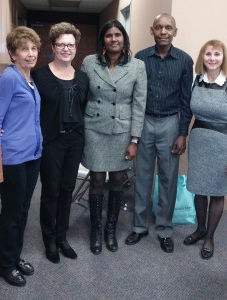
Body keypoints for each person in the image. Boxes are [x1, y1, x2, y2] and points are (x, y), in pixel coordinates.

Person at [125, 13, 193, 253]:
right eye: (159, 27)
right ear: (151, 30)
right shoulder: (141, 58)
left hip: (171, 124)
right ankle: (139, 226)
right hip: (144, 121)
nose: (163, 31)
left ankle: (164, 228)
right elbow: (134, 96)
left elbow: (186, 100)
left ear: (175, 31)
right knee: (142, 176)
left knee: (168, 178)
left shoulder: (185, 60)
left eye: (168, 28)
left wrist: (183, 132)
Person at [81, 20, 147, 255]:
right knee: (97, 179)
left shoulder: (137, 66)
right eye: (108, 35)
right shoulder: (89, 62)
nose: (113, 39)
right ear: (103, 40)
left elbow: (139, 105)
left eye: (118, 35)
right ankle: (96, 230)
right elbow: (81, 94)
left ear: (124, 39)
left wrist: (135, 139)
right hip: (94, 127)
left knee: (118, 180)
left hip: (122, 130)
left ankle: (111, 228)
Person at [32, 22, 89, 263]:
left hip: (74, 141)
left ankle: (62, 236)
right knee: (51, 191)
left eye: (71, 45)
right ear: (53, 47)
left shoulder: (83, 78)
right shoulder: (40, 76)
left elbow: (82, 108)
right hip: (51, 142)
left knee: (67, 190)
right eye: (61, 44)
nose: (66, 48)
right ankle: (49, 239)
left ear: (76, 48)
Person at [183, 40, 227, 259]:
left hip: (222, 145)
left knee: (217, 193)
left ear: (223, 57)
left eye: (217, 54)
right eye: (208, 53)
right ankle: (200, 229)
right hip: (199, 141)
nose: (212, 58)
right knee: (199, 190)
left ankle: (209, 237)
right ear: (202, 56)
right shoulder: (195, 81)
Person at [0, 26, 42, 287]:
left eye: (34, 48)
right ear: (12, 53)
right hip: (12, 158)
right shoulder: (9, 78)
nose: (30, 53)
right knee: (13, 212)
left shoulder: (29, 79)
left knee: (23, 210)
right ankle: (5, 264)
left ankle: (12, 255)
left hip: (32, 156)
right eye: (24, 49)